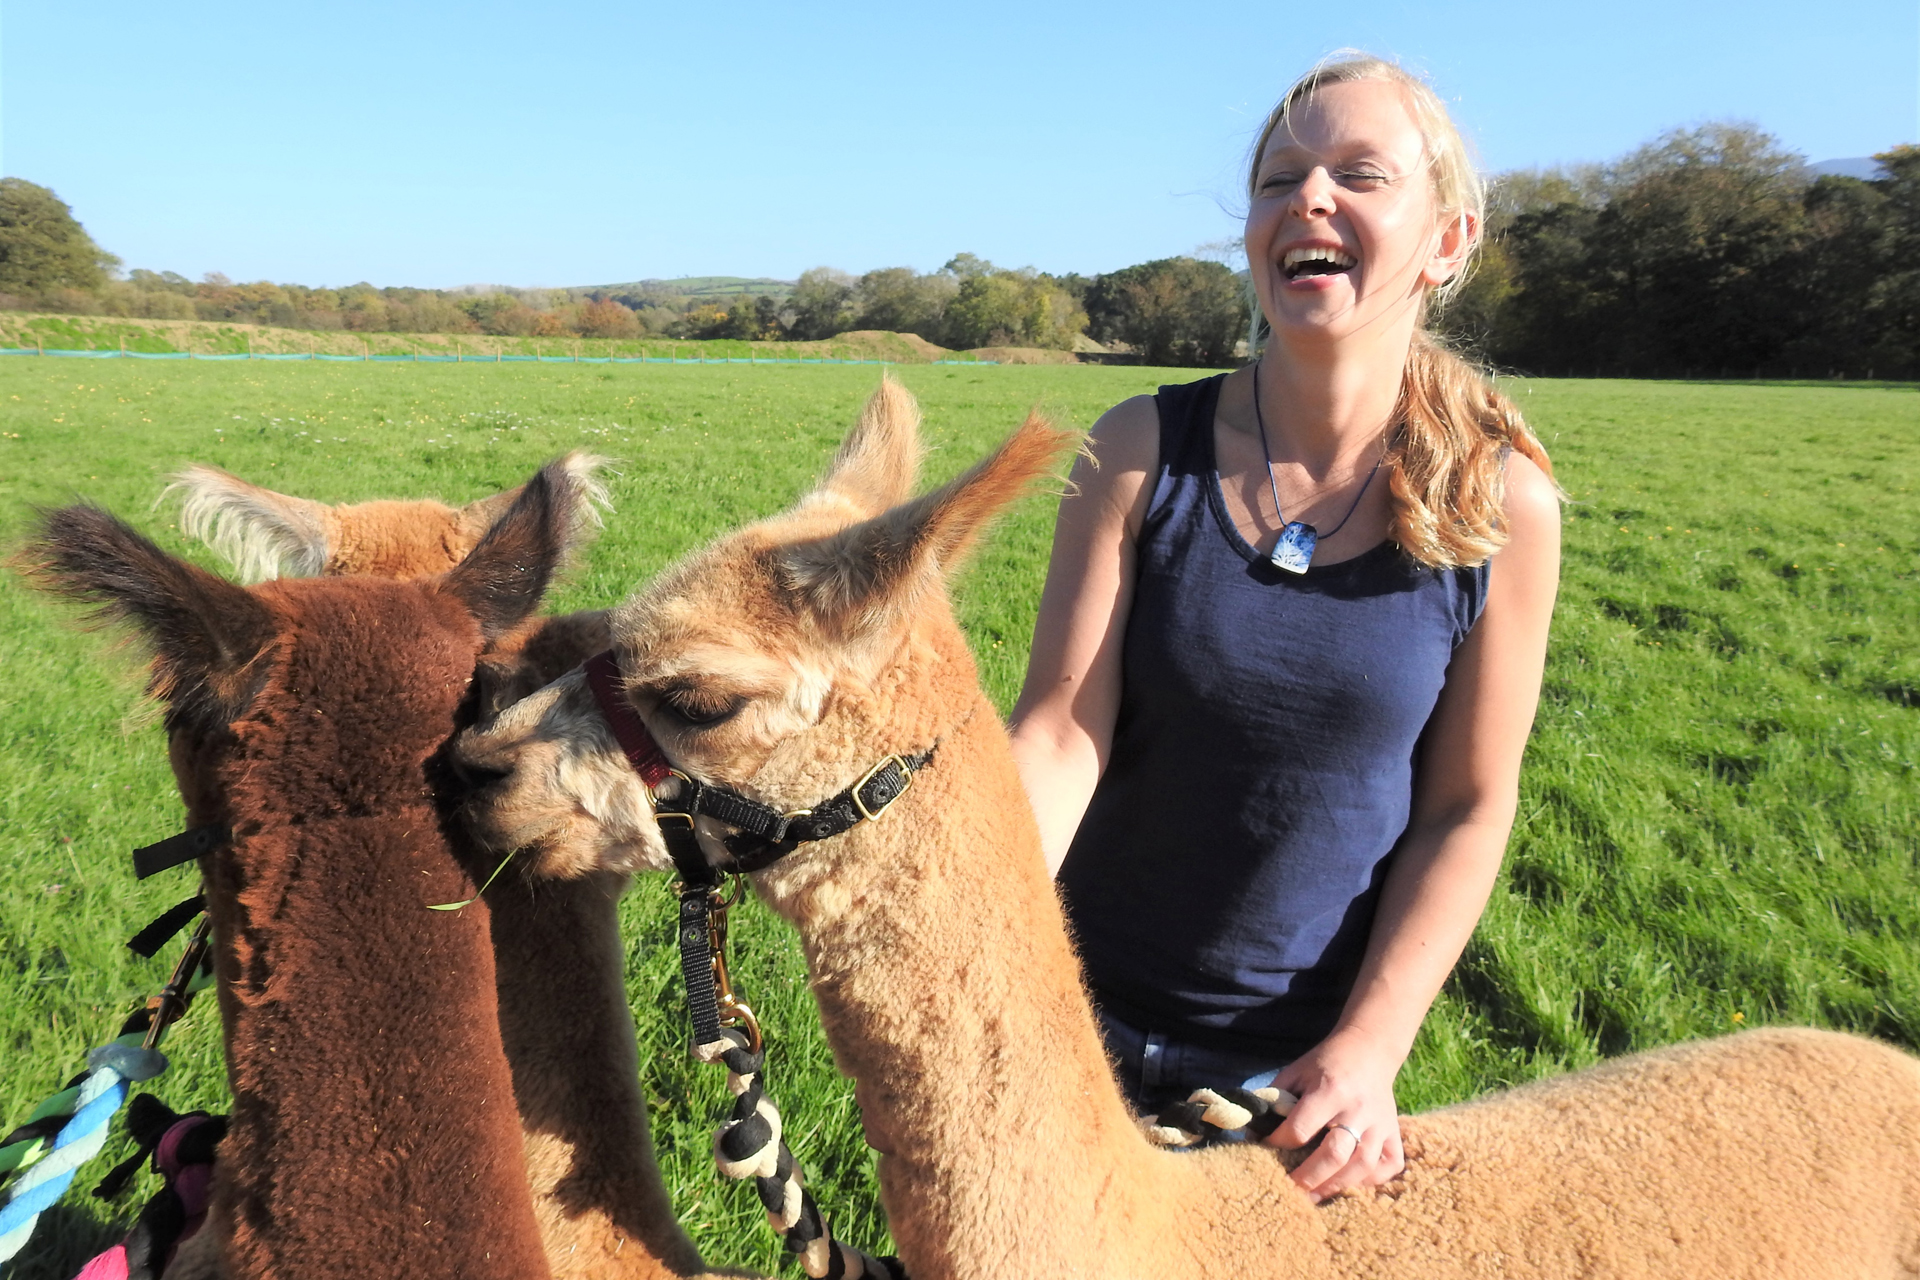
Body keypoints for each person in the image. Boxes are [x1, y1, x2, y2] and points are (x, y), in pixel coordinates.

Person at [1006, 54, 1561, 1206]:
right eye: (1279, 180)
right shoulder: (1137, 449)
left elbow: (1467, 806)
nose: (1309, 200)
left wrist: (1369, 1050)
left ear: (1446, 241)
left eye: (1360, 174)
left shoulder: (1502, 504)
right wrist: (982, 946)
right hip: (1069, 1012)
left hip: (1297, 1084)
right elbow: (1060, 733)